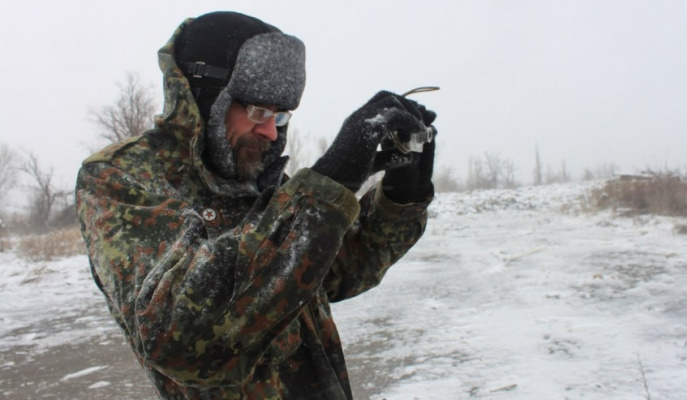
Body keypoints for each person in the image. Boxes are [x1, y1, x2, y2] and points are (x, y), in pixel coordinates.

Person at [76, 11, 437, 400]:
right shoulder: (124, 178)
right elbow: (178, 336)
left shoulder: (256, 178)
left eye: (281, 115)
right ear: (205, 98)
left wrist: (400, 199)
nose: (271, 130)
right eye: (258, 112)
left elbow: (332, 272)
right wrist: (327, 186)